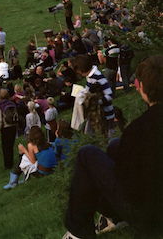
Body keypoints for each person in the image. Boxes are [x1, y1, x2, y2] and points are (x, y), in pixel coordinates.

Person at [62, 55, 163, 239]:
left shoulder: (140, 129)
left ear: (141, 88)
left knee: (88, 154)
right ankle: (114, 218)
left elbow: (126, 179)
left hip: (150, 213)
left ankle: (79, 231)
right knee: (115, 144)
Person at [0, 89, 18, 169]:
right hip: (13, 126)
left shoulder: (0, 105)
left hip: (5, 127)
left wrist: (0, 127)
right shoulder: (12, 103)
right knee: (11, 145)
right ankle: (11, 161)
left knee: (5, 146)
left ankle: (7, 164)